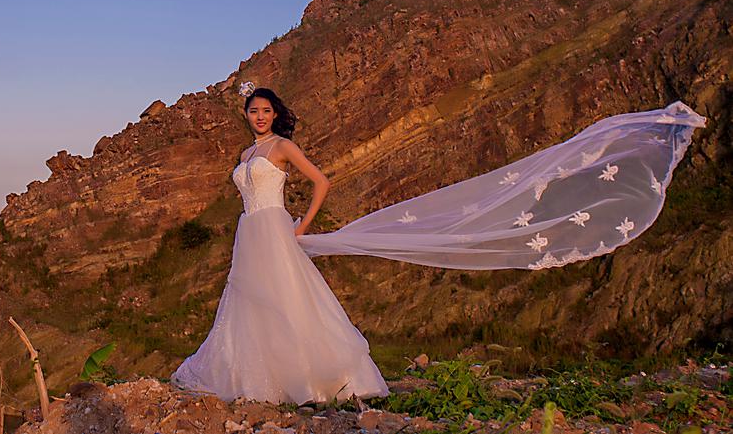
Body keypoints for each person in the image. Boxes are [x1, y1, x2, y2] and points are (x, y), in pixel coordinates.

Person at [170, 82, 707, 407]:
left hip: (275, 227)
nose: (259, 116)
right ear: (246, 116)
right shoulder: (245, 156)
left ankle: (310, 379)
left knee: (288, 301)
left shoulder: (284, 147)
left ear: (275, 114)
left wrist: (301, 226)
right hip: (249, 231)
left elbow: (322, 183)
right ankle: (254, 377)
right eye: (253, 111)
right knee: (250, 301)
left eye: (265, 110)